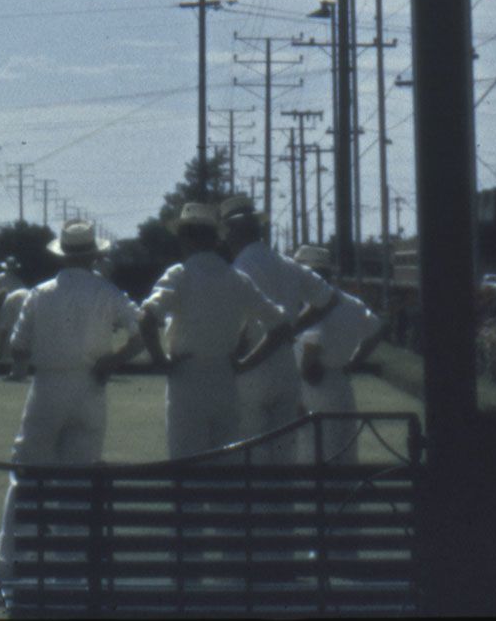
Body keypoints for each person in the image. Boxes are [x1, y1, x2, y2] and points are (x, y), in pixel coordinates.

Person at [0, 221, 140, 600]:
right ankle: (70, 572)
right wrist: (113, 362)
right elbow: (142, 328)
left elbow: (18, 347)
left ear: (62, 254)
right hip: (91, 388)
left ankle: (3, 567)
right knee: (77, 485)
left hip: (48, 387)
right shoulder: (108, 291)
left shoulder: (39, 294)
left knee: (26, 478)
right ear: (94, 255)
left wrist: (27, 362)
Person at [136, 200, 285, 461]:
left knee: (186, 464)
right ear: (216, 238)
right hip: (225, 376)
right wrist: (245, 363)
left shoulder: (180, 274)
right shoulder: (237, 278)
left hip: (187, 375)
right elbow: (280, 326)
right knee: (224, 466)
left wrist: (160, 360)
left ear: (184, 238)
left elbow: (147, 317)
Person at [223, 195, 338, 461]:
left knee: (250, 452)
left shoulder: (238, 269)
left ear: (233, 232)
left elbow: (237, 325)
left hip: (249, 366)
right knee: (284, 452)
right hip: (286, 367)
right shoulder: (288, 265)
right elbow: (327, 298)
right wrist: (293, 327)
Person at [295, 289, 385, 464]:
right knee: (345, 444)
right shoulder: (351, 303)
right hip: (341, 379)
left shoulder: (314, 303)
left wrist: (305, 370)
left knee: (316, 446)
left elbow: (313, 341)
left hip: (316, 383)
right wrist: (355, 361)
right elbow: (376, 329)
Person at [0, 274, 31, 376]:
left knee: (17, 343)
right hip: (36, 313)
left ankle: (17, 373)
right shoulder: (17, 294)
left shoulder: (8, 301)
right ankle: (21, 371)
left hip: (30, 317)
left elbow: (4, 330)